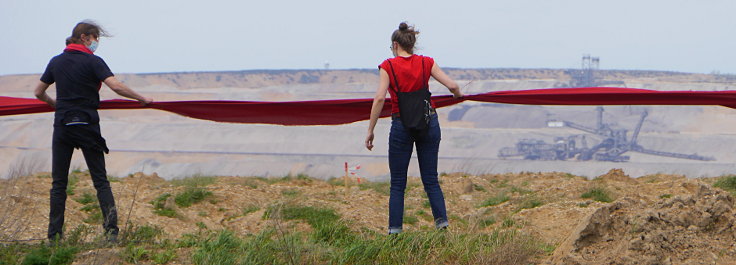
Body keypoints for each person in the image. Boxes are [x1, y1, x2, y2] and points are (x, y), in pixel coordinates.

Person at [34, 20, 153, 243]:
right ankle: (111, 234)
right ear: (85, 37)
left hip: (62, 126)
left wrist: (55, 103)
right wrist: (142, 98)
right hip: (87, 125)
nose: (96, 43)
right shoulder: (93, 61)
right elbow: (116, 86)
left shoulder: (56, 62)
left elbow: (38, 92)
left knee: (59, 184)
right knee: (100, 181)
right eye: (95, 38)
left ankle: (54, 238)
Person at [365, 22, 463, 234]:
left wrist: (370, 130)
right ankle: (442, 228)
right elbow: (453, 86)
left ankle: (395, 233)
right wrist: (457, 97)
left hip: (401, 124)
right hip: (429, 122)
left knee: (398, 183)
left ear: (394, 44)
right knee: (430, 180)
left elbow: (380, 97)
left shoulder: (387, 66)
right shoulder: (426, 62)